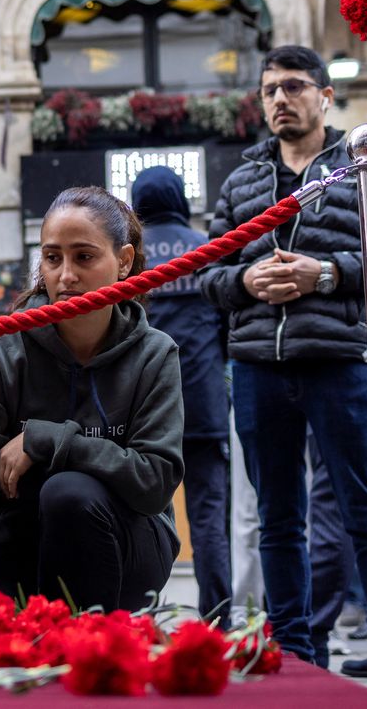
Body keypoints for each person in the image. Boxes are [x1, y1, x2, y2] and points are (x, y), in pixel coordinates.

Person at [200, 45, 367, 680]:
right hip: (257, 366)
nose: (280, 98)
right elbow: (208, 276)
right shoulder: (242, 180)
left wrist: (326, 273)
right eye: (270, 89)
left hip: (338, 360)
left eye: (295, 87)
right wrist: (245, 283)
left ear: (325, 96)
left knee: (366, 512)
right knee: (277, 519)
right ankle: (298, 652)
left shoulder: (364, 169)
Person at [0, 187, 181, 610]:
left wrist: (47, 439)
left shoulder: (154, 354)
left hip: (127, 546)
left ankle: (92, 641)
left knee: (69, 492)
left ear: (124, 261)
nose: (65, 277)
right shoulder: (3, 352)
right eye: (52, 257)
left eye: (84, 257)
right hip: (20, 545)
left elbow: (154, 483)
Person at [131, 166, 232, 622]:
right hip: (204, 402)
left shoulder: (128, 257)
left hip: (145, 408)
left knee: (144, 510)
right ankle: (219, 614)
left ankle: (144, 610)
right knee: (210, 516)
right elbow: (227, 328)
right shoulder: (205, 249)